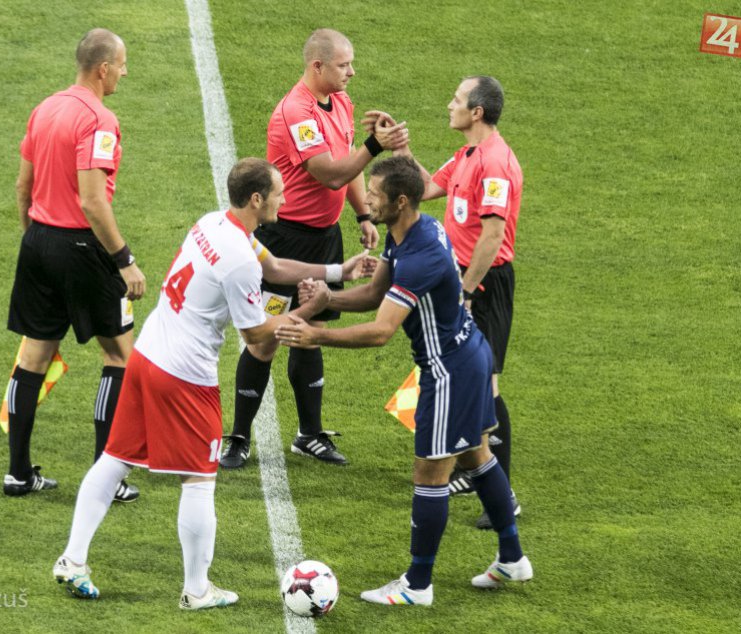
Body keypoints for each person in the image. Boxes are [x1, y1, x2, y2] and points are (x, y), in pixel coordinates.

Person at [52, 158, 372, 609]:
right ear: (257, 199)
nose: (285, 199)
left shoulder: (215, 224)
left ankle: (73, 558)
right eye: (279, 192)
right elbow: (257, 335)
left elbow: (276, 267)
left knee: (115, 458)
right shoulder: (239, 261)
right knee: (200, 480)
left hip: (148, 354)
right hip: (184, 376)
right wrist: (311, 309)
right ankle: (197, 589)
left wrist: (338, 272)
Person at [276, 156, 532, 605]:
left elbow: (381, 330)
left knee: (429, 473)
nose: (367, 199)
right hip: (468, 354)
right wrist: (329, 298)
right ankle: (512, 558)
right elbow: (376, 293)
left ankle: (417, 585)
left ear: (399, 201)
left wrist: (316, 335)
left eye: (374, 194)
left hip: (448, 370)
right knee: (477, 454)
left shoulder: (420, 255)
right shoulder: (414, 232)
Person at [220, 28, 408, 469]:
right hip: (284, 237)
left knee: (309, 334)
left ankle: (308, 434)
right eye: (344, 65)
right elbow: (330, 173)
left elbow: (348, 165)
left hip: (324, 238)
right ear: (317, 65)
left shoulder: (340, 101)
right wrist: (376, 146)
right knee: (266, 339)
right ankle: (239, 437)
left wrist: (362, 215)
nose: (352, 72)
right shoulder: (296, 113)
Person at [366, 75, 524, 528]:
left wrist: (466, 291)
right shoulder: (468, 154)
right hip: (463, 278)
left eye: (457, 100)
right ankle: (465, 467)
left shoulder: (495, 163)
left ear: (477, 112)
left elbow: (492, 236)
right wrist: (400, 148)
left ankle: (503, 496)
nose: (449, 105)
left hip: (484, 283)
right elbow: (425, 188)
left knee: (485, 382)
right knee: (454, 372)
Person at [4, 29, 146, 503]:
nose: (125, 71)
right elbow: (91, 200)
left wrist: (36, 241)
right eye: (122, 64)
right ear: (103, 68)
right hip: (83, 248)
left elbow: (23, 188)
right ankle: (106, 480)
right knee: (120, 356)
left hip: (38, 240)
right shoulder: (99, 120)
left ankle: (18, 474)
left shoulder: (45, 108)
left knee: (32, 359)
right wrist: (124, 261)